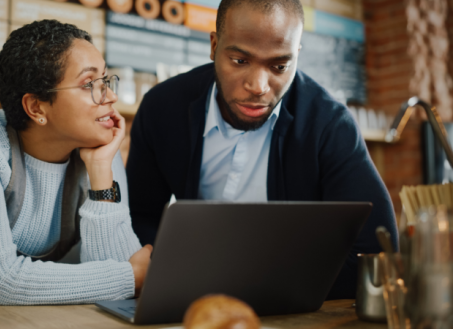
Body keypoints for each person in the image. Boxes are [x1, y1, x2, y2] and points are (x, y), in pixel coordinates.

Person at [126, 0, 398, 299]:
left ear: (296, 57)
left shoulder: (328, 124)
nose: (258, 86)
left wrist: (254, 286)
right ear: (214, 45)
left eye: (279, 66)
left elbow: (377, 250)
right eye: (240, 61)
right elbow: (139, 215)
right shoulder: (162, 108)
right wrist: (174, 273)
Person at [0, 20, 152, 309]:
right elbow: (1, 282)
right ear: (36, 107)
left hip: (14, 317)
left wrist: (100, 171)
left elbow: (122, 284)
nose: (111, 96)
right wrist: (128, 277)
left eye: (106, 80)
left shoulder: (99, 150)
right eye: (89, 84)